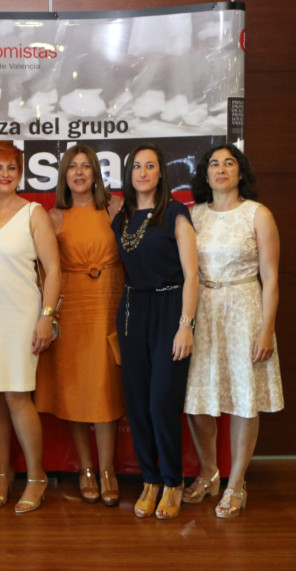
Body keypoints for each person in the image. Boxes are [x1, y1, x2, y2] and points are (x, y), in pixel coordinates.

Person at [183, 143, 284, 518]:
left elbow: (271, 279)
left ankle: (236, 482)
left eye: (229, 163)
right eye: (214, 164)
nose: (221, 169)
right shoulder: (193, 215)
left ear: (240, 172)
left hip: (245, 311)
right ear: (205, 174)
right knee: (197, 399)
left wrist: (266, 329)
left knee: (244, 399)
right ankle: (209, 473)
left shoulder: (258, 214)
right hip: (204, 311)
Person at [0, 140, 61, 514]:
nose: (4, 174)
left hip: (22, 318)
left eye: (11, 167)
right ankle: (3, 474)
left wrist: (46, 316)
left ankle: (36, 477)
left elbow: (53, 270)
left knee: (17, 397)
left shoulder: (34, 213)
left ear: (20, 173)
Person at [35, 144, 125, 506]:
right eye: (73, 166)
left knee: (104, 389)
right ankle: (86, 468)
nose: (80, 172)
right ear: (64, 175)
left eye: (86, 166)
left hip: (109, 307)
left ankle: (108, 469)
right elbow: (43, 270)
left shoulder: (116, 208)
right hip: (70, 311)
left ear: (96, 174)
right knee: (74, 391)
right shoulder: (53, 217)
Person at [112, 142, 198, 520]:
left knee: (161, 402)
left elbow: (193, 275)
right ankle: (149, 480)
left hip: (170, 309)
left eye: (150, 166)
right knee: (137, 403)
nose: (143, 172)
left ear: (161, 172)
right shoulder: (122, 216)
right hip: (133, 311)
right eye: (137, 166)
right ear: (129, 174)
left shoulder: (176, 212)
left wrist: (185, 326)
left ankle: (172, 482)